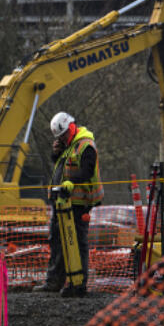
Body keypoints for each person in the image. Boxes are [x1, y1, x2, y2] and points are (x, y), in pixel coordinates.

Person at [39, 111, 102, 297]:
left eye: (64, 135)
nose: (63, 138)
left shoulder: (86, 146)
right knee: (57, 241)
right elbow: (61, 167)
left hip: (78, 204)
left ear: (71, 127)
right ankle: (54, 281)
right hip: (62, 202)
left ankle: (78, 284)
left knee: (77, 243)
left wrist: (71, 183)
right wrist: (55, 154)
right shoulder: (68, 146)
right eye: (60, 137)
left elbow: (87, 172)